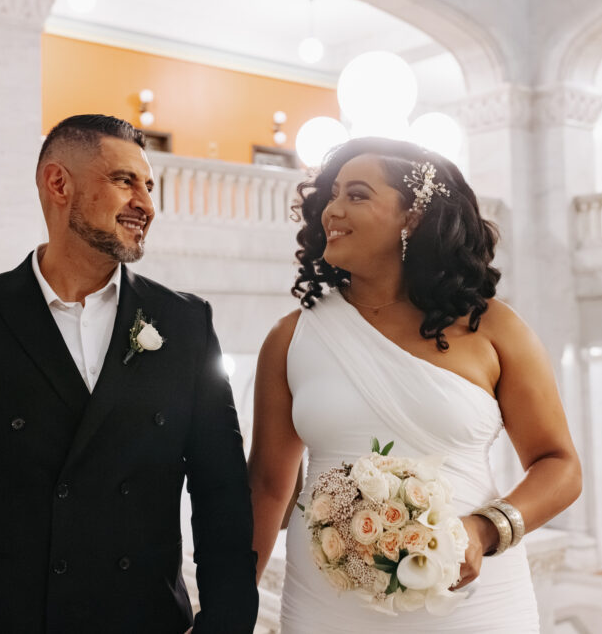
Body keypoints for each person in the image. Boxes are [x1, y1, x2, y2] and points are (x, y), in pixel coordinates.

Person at [0, 114, 258, 634]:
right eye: (124, 181)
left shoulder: (185, 323)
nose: (146, 205)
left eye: (149, 187)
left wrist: (225, 625)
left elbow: (222, 495)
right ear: (58, 183)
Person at [248, 137, 582, 632]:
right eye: (332, 195)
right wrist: (232, 607)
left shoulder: (493, 328)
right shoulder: (290, 338)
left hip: (471, 604)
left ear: (414, 216)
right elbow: (266, 486)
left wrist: (484, 529)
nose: (332, 210)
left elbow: (560, 465)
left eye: (356, 195)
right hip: (326, 604)